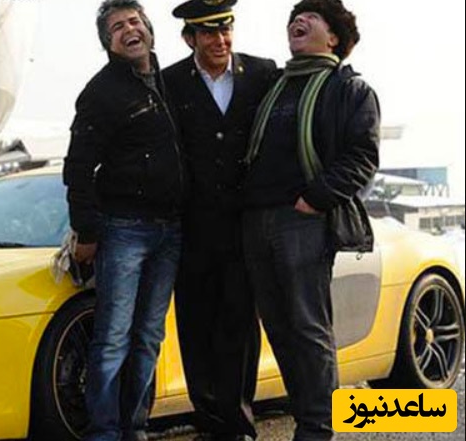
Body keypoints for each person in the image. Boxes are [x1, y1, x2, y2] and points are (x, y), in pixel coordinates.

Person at [240, 0, 380, 440]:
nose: (297, 21)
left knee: (307, 326)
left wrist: (314, 199)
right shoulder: (273, 85)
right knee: (279, 328)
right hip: (257, 219)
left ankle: (318, 427)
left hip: (303, 220)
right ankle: (306, 415)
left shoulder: (349, 90)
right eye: (294, 18)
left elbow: (362, 157)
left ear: (334, 37)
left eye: (310, 17)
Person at [62, 1, 184, 440]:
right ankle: (105, 433)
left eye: (134, 21)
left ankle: (135, 428)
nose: (128, 29)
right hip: (124, 230)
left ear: (149, 29)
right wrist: (87, 231)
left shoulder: (174, 82)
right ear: (107, 43)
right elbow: (78, 168)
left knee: (149, 336)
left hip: (172, 229)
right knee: (113, 338)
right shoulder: (100, 93)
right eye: (116, 27)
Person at [162, 1, 276, 440]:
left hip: (245, 228)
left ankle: (239, 425)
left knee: (240, 328)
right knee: (195, 327)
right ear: (189, 38)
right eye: (209, 33)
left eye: (226, 29)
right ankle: (209, 424)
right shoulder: (169, 82)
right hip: (192, 230)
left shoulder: (263, 73)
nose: (220, 40)